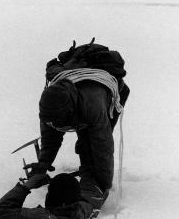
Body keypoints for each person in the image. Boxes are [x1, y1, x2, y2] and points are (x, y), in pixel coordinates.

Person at [25, 42, 130, 209]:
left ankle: (91, 176)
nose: (55, 126)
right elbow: (50, 138)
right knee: (80, 134)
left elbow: (103, 147)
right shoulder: (50, 104)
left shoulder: (93, 106)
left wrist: (102, 184)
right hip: (77, 99)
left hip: (109, 93)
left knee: (90, 143)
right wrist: (42, 165)